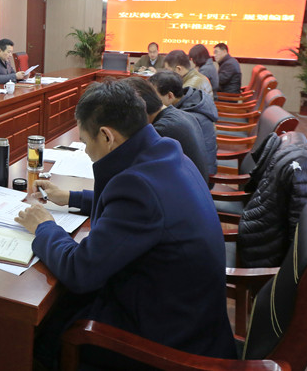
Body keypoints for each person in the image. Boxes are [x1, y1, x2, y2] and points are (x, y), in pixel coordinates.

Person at [15, 79, 235, 368]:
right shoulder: (166, 151)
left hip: (167, 344)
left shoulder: (138, 189)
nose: (87, 151)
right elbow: (136, 207)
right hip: (190, 315)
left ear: (107, 136)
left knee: (41, 335)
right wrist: (71, 197)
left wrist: (44, 225)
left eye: (86, 142)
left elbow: (80, 271)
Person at [123, 76, 209, 183]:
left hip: (187, 188)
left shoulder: (162, 130)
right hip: (199, 184)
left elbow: (137, 168)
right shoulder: (181, 114)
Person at [150, 71, 218, 176]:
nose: (151, 100)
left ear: (170, 96)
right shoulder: (192, 99)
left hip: (201, 175)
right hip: (200, 168)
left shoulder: (185, 116)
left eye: (154, 96)